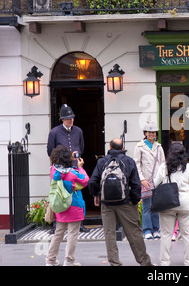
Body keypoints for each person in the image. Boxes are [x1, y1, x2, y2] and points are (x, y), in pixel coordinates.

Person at [88, 138, 154, 266]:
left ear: (110, 148)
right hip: (126, 203)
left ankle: (115, 263)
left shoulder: (102, 161)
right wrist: (134, 201)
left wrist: (96, 194)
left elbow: (92, 182)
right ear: (122, 148)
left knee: (109, 234)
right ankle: (145, 262)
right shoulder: (128, 161)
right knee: (134, 233)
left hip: (107, 204)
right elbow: (136, 185)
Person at [153, 143, 189, 266]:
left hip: (168, 202)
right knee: (188, 235)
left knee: (166, 234)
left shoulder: (164, 167)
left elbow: (155, 183)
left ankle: (164, 262)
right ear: (184, 153)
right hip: (186, 202)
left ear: (170, 153)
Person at [46, 104, 88, 233]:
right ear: (62, 119)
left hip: (74, 168)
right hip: (60, 169)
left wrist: (76, 157)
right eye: (68, 118)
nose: (71, 120)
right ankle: (56, 224)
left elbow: (81, 147)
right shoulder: (54, 132)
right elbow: (50, 151)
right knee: (58, 194)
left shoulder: (78, 131)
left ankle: (78, 223)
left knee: (76, 195)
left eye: (72, 118)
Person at [45, 145, 89, 266]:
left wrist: (69, 157)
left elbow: (61, 167)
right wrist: (80, 168)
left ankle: (50, 259)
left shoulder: (54, 171)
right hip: (74, 205)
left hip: (60, 206)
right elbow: (85, 180)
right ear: (67, 159)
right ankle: (69, 260)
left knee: (58, 233)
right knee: (72, 234)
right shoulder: (73, 173)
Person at [134, 121, 165, 240]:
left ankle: (156, 229)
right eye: (149, 132)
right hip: (146, 181)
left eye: (153, 132)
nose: (151, 134)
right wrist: (142, 180)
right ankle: (147, 230)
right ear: (145, 133)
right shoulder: (139, 146)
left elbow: (163, 164)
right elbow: (137, 164)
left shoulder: (159, 147)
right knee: (147, 206)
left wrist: (162, 178)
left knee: (156, 206)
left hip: (157, 180)